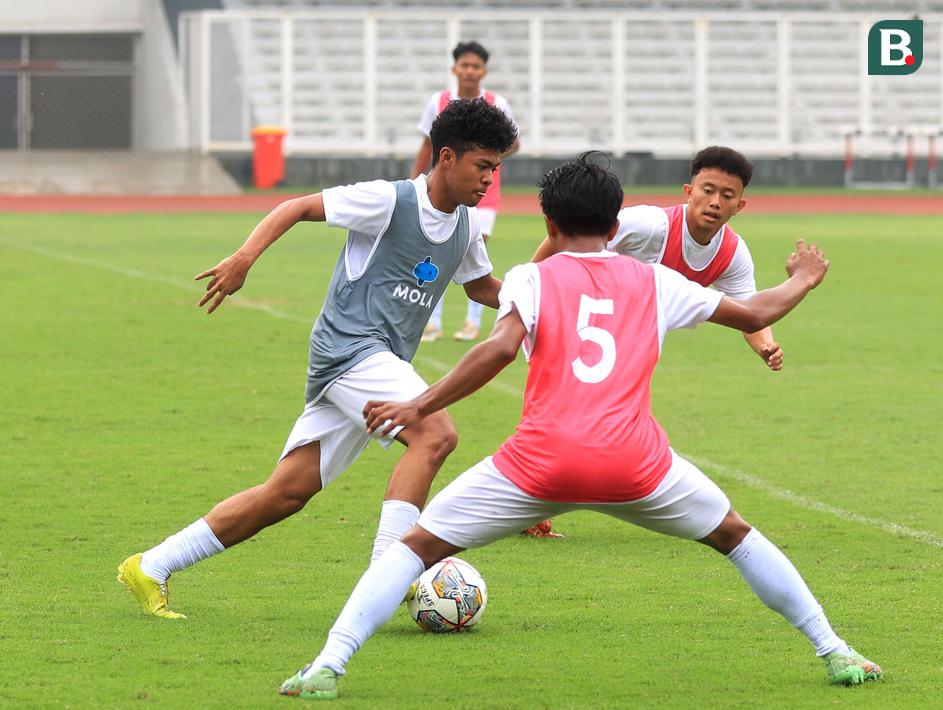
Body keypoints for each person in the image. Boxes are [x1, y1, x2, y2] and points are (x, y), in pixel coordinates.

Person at [278, 155, 881, 700]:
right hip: (637, 466)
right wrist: (803, 278)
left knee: (414, 549)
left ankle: (328, 665)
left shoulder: (531, 278)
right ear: (615, 227)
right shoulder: (657, 281)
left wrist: (419, 404)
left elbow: (498, 349)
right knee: (737, 537)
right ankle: (836, 651)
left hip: (537, 465)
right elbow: (755, 313)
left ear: (549, 224)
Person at [118, 99, 518, 619]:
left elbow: (482, 287)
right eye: (482, 165)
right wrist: (244, 257)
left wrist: (541, 300)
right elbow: (297, 206)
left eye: (495, 168)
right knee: (435, 433)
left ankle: (150, 565)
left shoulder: (465, 226)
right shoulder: (388, 200)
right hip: (352, 350)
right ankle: (388, 576)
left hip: (375, 364)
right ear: (446, 157)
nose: (489, 179)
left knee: (285, 494)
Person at [524, 146, 775, 538]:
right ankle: (532, 500)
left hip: (630, 342)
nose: (715, 202)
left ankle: (550, 496)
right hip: (582, 320)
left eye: (727, 195)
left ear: (740, 205)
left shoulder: (732, 253)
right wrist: (532, 282)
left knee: (596, 422)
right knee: (571, 413)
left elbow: (747, 310)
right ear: (688, 192)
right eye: (708, 190)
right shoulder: (649, 225)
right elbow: (571, 231)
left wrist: (765, 345)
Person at [413, 41, 520, 344]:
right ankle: (432, 321)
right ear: (455, 68)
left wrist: (481, 160)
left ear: (484, 71)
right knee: (437, 249)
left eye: (476, 66)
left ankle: (472, 322)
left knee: (476, 252)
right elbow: (427, 144)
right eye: (465, 65)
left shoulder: (497, 103)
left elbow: (514, 143)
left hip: (483, 193)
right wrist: (415, 182)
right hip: (441, 191)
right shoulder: (439, 101)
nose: (470, 71)